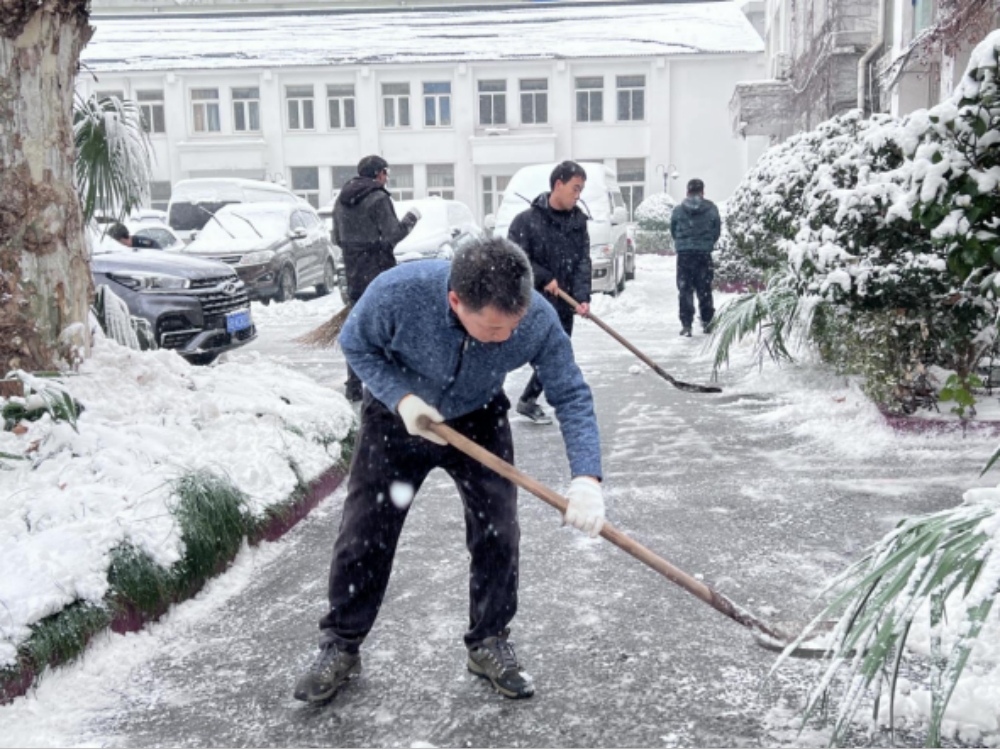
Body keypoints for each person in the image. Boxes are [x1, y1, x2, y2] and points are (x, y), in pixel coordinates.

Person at [294, 238, 606, 705]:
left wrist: (587, 478)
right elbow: (355, 345)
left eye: (512, 326)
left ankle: (488, 640)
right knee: (365, 531)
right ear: (455, 301)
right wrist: (401, 399)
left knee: (498, 530)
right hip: (398, 420)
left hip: (478, 418)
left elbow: (571, 393)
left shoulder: (534, 316)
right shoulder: (398, 292)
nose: (506, 337)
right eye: (494, 329)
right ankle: (340, 644)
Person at [507, 161, 593, 426]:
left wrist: (582, 297)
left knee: (557, 353)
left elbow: (582, 261)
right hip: (532, 302)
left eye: (581, 189)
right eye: (575, 188)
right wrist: (544, 278)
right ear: (558, 184)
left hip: (564, 304)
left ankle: (528, 400)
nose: (578, 195)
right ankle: (486, 401)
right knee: (522, 351)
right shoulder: (526, 221)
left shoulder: (578, 222)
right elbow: (515, 260)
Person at [333, 155, 421, 402]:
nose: (386, 178)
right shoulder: (378, 197)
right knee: (385, 327)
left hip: (353, 273)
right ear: (379, 174)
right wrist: (410, 220)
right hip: (379, 272)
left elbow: (336, 238)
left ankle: (353, 385)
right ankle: (385, 385)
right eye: (386, 173)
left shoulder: (341, 199)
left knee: (358, 328)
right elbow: (393, 235)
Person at [670, 179, 721, 337]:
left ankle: (686, 324)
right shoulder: (711, 209)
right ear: (702, 192)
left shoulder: (678, 210)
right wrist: (706, 243)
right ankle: (707, 322)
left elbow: (673, 230)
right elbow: (716, 230)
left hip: (684, 255)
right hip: (703, 255)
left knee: (685, 289)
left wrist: (684, 243)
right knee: (704, 289)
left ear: (687, 192)